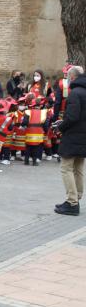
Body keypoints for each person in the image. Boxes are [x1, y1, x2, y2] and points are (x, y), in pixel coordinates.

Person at [55, 66, 86, 216]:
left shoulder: (75, 94)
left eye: (67, 76)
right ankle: (77, 197)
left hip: (73, 136)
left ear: (72, 78)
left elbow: (72, 117)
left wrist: (61, 126)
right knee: (79, 167)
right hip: (83, 136)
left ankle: (72, 202)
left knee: (66, 168)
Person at [21, 97, 49, 166]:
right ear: (40, 105)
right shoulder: (43, 112)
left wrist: (24, 125)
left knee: (28, 146)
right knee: (36, 147)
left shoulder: (28, 111)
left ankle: (26, 161)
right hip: (38, 133)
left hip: (29, 131)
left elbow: (24, 122)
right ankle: (34, 162)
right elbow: (45, 124)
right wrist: (45, 131)